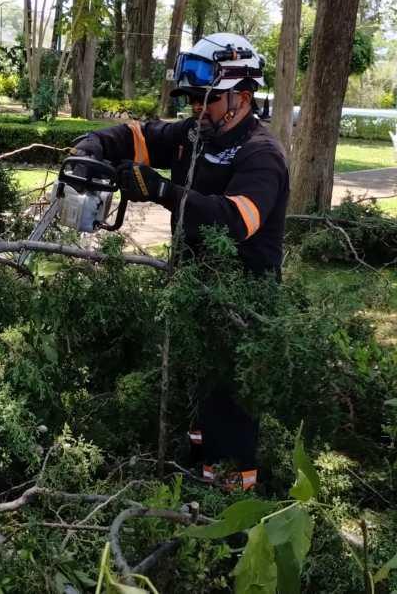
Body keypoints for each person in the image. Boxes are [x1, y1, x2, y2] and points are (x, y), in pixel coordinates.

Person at [71, 33, 289, 490]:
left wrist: (164, 191)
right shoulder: (194, 134)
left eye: (205, 100)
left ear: (241, 97)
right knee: (197, 390)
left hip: (241, 298)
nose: (195, 109)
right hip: (192, 285)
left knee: (229, 397)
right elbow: (140, 136)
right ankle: (196, 476)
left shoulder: (260, 154)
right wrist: (92, 145)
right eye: (191, 100)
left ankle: (231, 500)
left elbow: (235, 220)